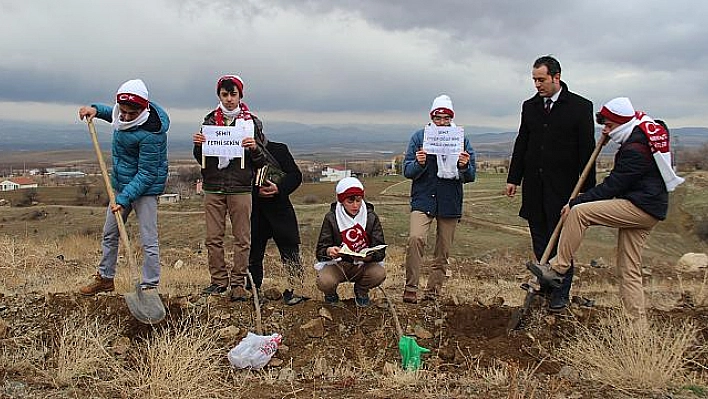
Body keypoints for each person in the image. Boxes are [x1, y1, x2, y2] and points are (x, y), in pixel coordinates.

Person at [527, 97, 684, 319]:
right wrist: (609, 131)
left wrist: (575, 202)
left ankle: (557, 268)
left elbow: (612, 186)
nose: (606, 131)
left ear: (622, 123)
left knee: (579, 213)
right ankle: (636, 327)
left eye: (609, 126)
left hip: (640, 207)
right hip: (649, 206)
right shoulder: (643, 130)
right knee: (628, 268)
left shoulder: (636, 149)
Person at [505, 55, 596, 312]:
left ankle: (560, 294)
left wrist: (587, 194)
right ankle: (546, 287)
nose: (537, 84)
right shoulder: (530, 106)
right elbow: (522, 142)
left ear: (557, 77)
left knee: (560, 244)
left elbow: (586, 152)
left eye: (541, 79)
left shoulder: (579, 106)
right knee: (539, 240)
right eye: (534, 80)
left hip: (563, 188)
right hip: (534, 186)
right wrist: (514, 178)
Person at [78, 79, 169, 295]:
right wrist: (95, 110)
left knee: (148, 238)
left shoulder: (152, 134)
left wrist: (123, 198)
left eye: (131, 114)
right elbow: (113, 113)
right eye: (123, 112)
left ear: (143, 109)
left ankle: (149, 286)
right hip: (121, 185)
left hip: (145, 189)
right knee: (110, 233)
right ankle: (105, 278)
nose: (125, 117)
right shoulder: (122, 115)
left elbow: (147, 174)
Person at [193, 75, 266, 301]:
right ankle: (218, 282)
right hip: (214, 186)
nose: (229, 99)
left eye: (233, 94)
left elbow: (262, 160)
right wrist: (199, 146)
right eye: (225, 95)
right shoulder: (209, 121)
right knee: (213, 238)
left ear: (240, 95)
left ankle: (238, 283)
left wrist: (253, 148)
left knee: (242, 238)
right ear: (219, 96)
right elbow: (202, 158)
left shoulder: (252, 123)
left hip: (241, 188)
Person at [402, 94, 476, 303]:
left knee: (443, 249)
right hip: (423, 198)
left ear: (451, 118)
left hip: (449, 200)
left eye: (446, 118)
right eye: (438, 118)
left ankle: (433, 292)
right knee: (415, 238)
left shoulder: (461, 139)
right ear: (432, 117)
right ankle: (411, 287)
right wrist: (420, 163)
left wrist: (463, 165)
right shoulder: (419, 137)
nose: (442, 122)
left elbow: (471, 176)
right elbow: (407, 171)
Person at [247, 130, 307, 305]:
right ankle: (253, 290)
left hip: (280, 210)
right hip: (254, 211)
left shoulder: (279, 150)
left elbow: (295, 176)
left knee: (290, 252)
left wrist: (278, 188)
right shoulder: (239, 155)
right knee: (253, 254)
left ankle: (296, 289)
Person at [315, 177, 386, 307]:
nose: (355, 205)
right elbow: (320, 250)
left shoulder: (371, 217)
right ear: (341, 201)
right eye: (350, 201)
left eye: (359, 200)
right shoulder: (331, 218)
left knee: (379, 274)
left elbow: (380, 250)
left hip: (363, 265)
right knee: (324, 281)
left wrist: (370, 256)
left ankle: (361, 291)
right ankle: (331, 295)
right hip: (339, 265)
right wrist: (329, 251)